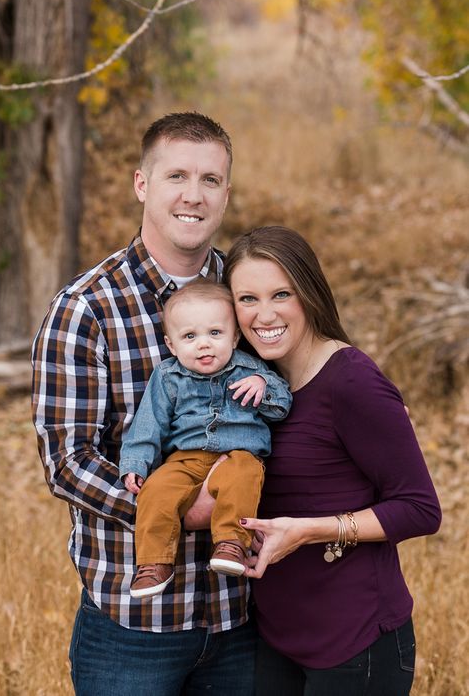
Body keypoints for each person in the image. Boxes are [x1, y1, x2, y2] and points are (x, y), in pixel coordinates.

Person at [31, 112, 259, 696]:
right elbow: (67, 462)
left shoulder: (249, 293)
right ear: (142, 184)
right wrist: (181, 508)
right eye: (176, 176)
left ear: (227, 193)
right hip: (133, 629)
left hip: (246, 619)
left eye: (210, 180)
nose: (193, 195)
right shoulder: (86, 309)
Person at [218, 225, 441, 696]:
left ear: (311, 294)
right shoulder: (251, 383)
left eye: (282, 294)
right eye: (247, 299)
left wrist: (310, 530)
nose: (265, 315)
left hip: (355, 644)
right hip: (277, 636)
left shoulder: (352, 382)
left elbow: (421, 508)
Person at [119, 278, 292, 597]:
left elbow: (282, 407)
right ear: (171, 345)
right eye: (190, 336)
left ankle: (230, 545)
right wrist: (135, 464)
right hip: (185, 459)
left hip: (240, 453)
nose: (204, 344)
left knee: (244, 477)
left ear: (235, 336)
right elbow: (148, 425)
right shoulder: (168, 376)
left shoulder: (250, 369)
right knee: (156, 490)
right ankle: (154, 563)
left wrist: (263, 387)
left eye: (215, 333)